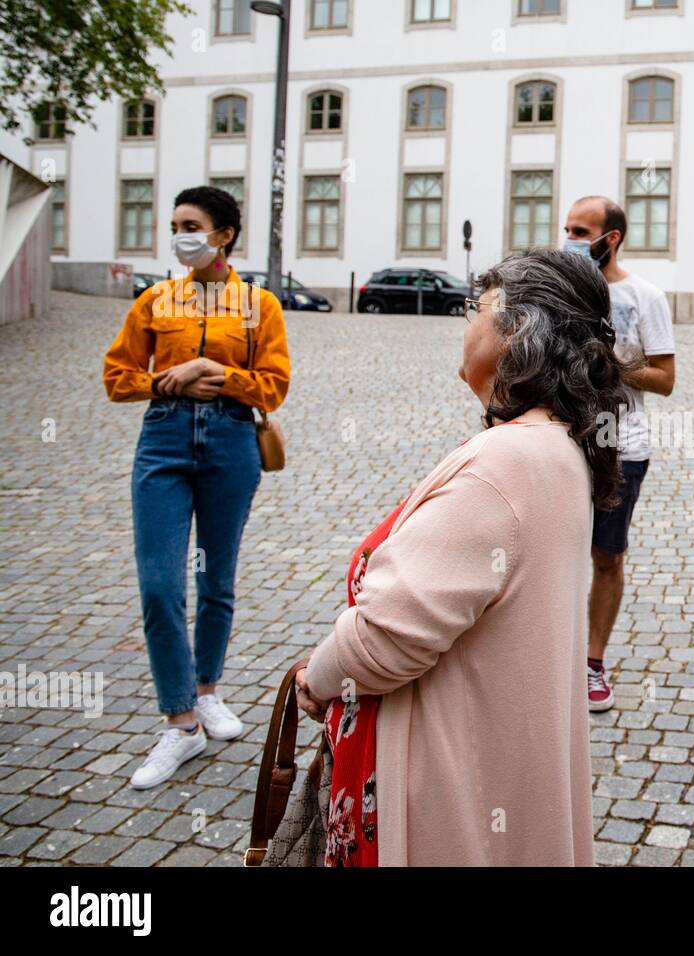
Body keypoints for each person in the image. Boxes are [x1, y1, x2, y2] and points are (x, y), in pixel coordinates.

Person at [294, 249, 626, 865]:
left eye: (477, 310)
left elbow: (388, 637)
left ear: (518, 332)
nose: (466, 323)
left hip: (444, 785)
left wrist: (318, 675)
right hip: (492, 756)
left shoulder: (507, 461)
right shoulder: (555, 447)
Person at [103, 185, 290, 789]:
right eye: (175, 224)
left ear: (223, 234)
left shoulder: (259, 304)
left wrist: (215, 372)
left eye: (191, 224)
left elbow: (273, 386)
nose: (180, 234)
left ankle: (206, 691)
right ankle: (179, 723)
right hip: (163, 441)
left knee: (217, 578)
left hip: (233, 442)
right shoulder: (155, 300)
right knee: (160, 584)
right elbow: (116, 376)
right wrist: (165, 384)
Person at [563, 196, 676, 712]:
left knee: (606, 557)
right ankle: (550, 659)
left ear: (612, 239)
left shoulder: (644, 296)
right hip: (560, 443)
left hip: (620, 445)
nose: (571, 239)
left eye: (581, 231)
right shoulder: (558, 291)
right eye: (567, 229)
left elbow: (665, 379)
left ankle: (591, 662)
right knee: (551, 557)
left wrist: (608, 364)